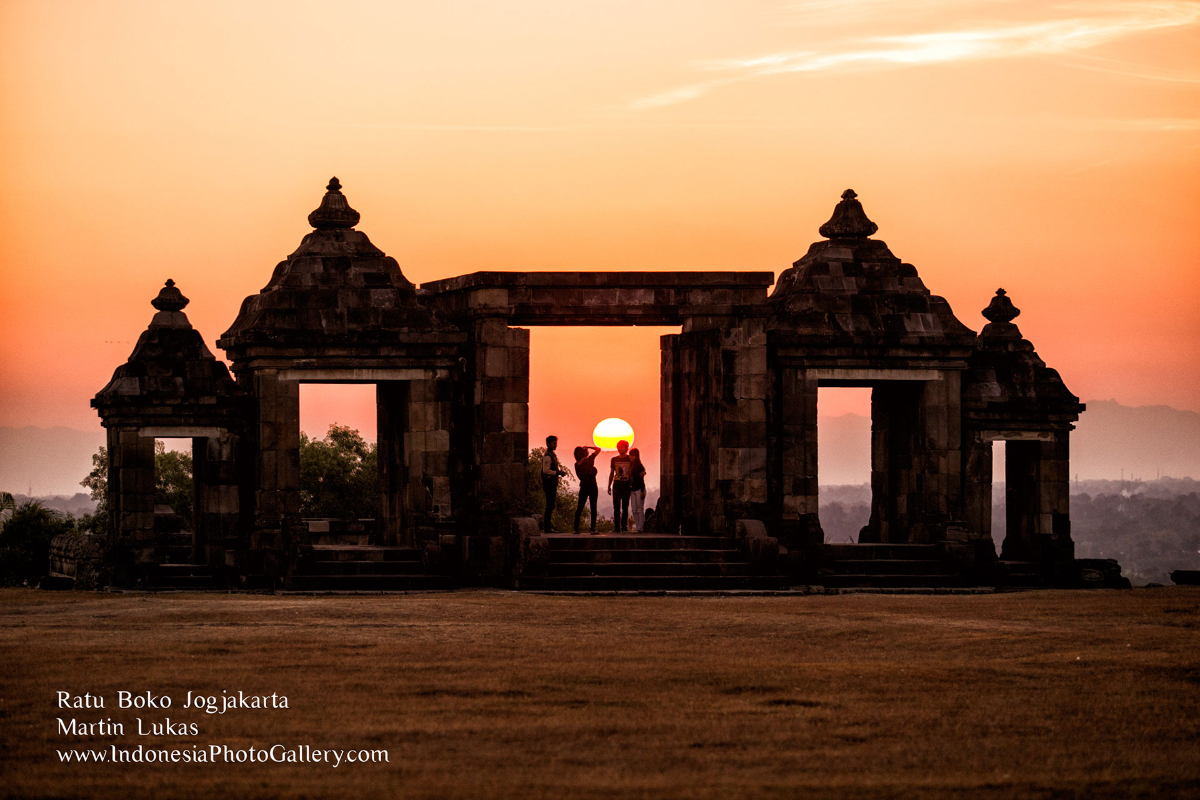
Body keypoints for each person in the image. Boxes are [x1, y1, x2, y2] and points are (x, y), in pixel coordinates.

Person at [541, 435, 567, 532]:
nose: (555, 445)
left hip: (552, 483)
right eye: (554, 443)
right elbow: (546, 470)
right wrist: (557, 473)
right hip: (549, 483)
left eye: (556, 443)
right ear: (548, 444)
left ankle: (548, 527)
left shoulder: (552, 455)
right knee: (549, 505)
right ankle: (547, 528)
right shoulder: (548, 457)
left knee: (551, 505)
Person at [607, 439, 634, 532]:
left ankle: (624, 527)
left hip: (626, 485)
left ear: (626, 448)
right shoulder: (614, 459)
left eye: (622, 446)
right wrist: (609, 486)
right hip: (617, 485)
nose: (620, 448)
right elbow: (611, 473)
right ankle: (616, 528)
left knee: (625, 507)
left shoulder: (629, 459)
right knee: (616, 507)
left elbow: (632, 472)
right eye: (619, 447)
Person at [573, 445, 601, 534]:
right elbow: (598, 449)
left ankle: (575, 528)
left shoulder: (576, 465)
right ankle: (592, 529)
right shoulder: (589, 460)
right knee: (593, 508)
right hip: (592, 486)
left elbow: (581, 476)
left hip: (584, 486)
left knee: (580, 507)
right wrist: (588, 446)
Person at [629, 447, 647, 532]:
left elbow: (641, 480)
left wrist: (642, 491)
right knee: (634, 510)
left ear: (636, 456)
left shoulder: (639, 466)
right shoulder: (631, 465)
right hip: (633, 489)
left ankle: (640, 527)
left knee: (640, 509)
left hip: (639, 489)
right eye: (630, 455)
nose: (631, 457)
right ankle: (638, 526)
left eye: (633, 456)